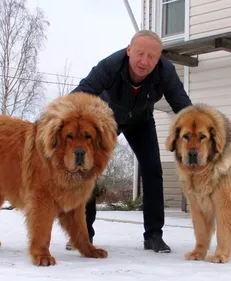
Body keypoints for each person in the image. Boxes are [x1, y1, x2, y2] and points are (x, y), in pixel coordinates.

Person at [67, 30, 192, 253]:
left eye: (152, 57)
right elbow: (78, 96)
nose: (145, 61)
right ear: (129, 50)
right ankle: (83, 232)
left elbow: (184, 109)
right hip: (107, 118)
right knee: (89, 169)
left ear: (159, 57)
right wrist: (47, 123)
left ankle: (154, 235)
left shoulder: (166, 72)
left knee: (153, 170)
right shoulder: (110, 66)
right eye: (140, 54)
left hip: (142, 120)